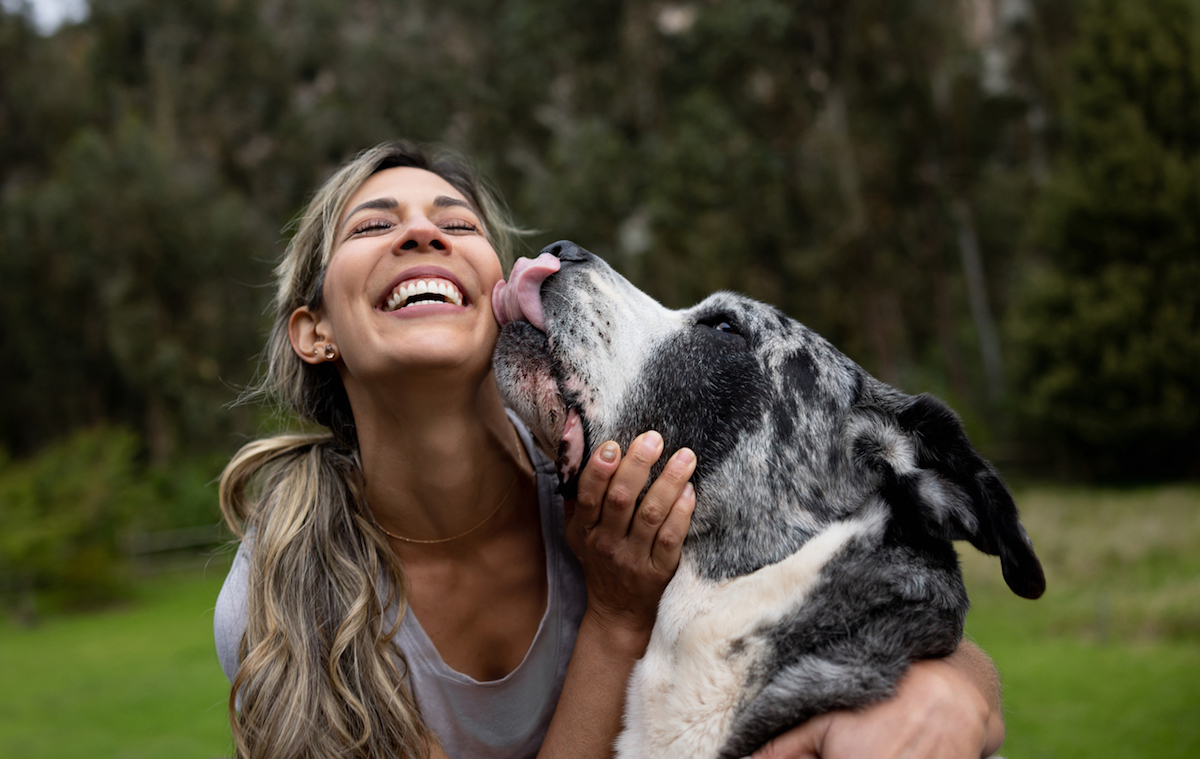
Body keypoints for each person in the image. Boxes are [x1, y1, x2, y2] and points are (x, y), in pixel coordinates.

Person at [214, 141, 1006, 759]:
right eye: (372, 225)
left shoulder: (625, 475)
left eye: (457, 225)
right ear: (313, 331)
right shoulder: (282, 596)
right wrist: (617, 613)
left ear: (499, 291)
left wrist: (948, 691)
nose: (421, 233)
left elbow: (863, 595)